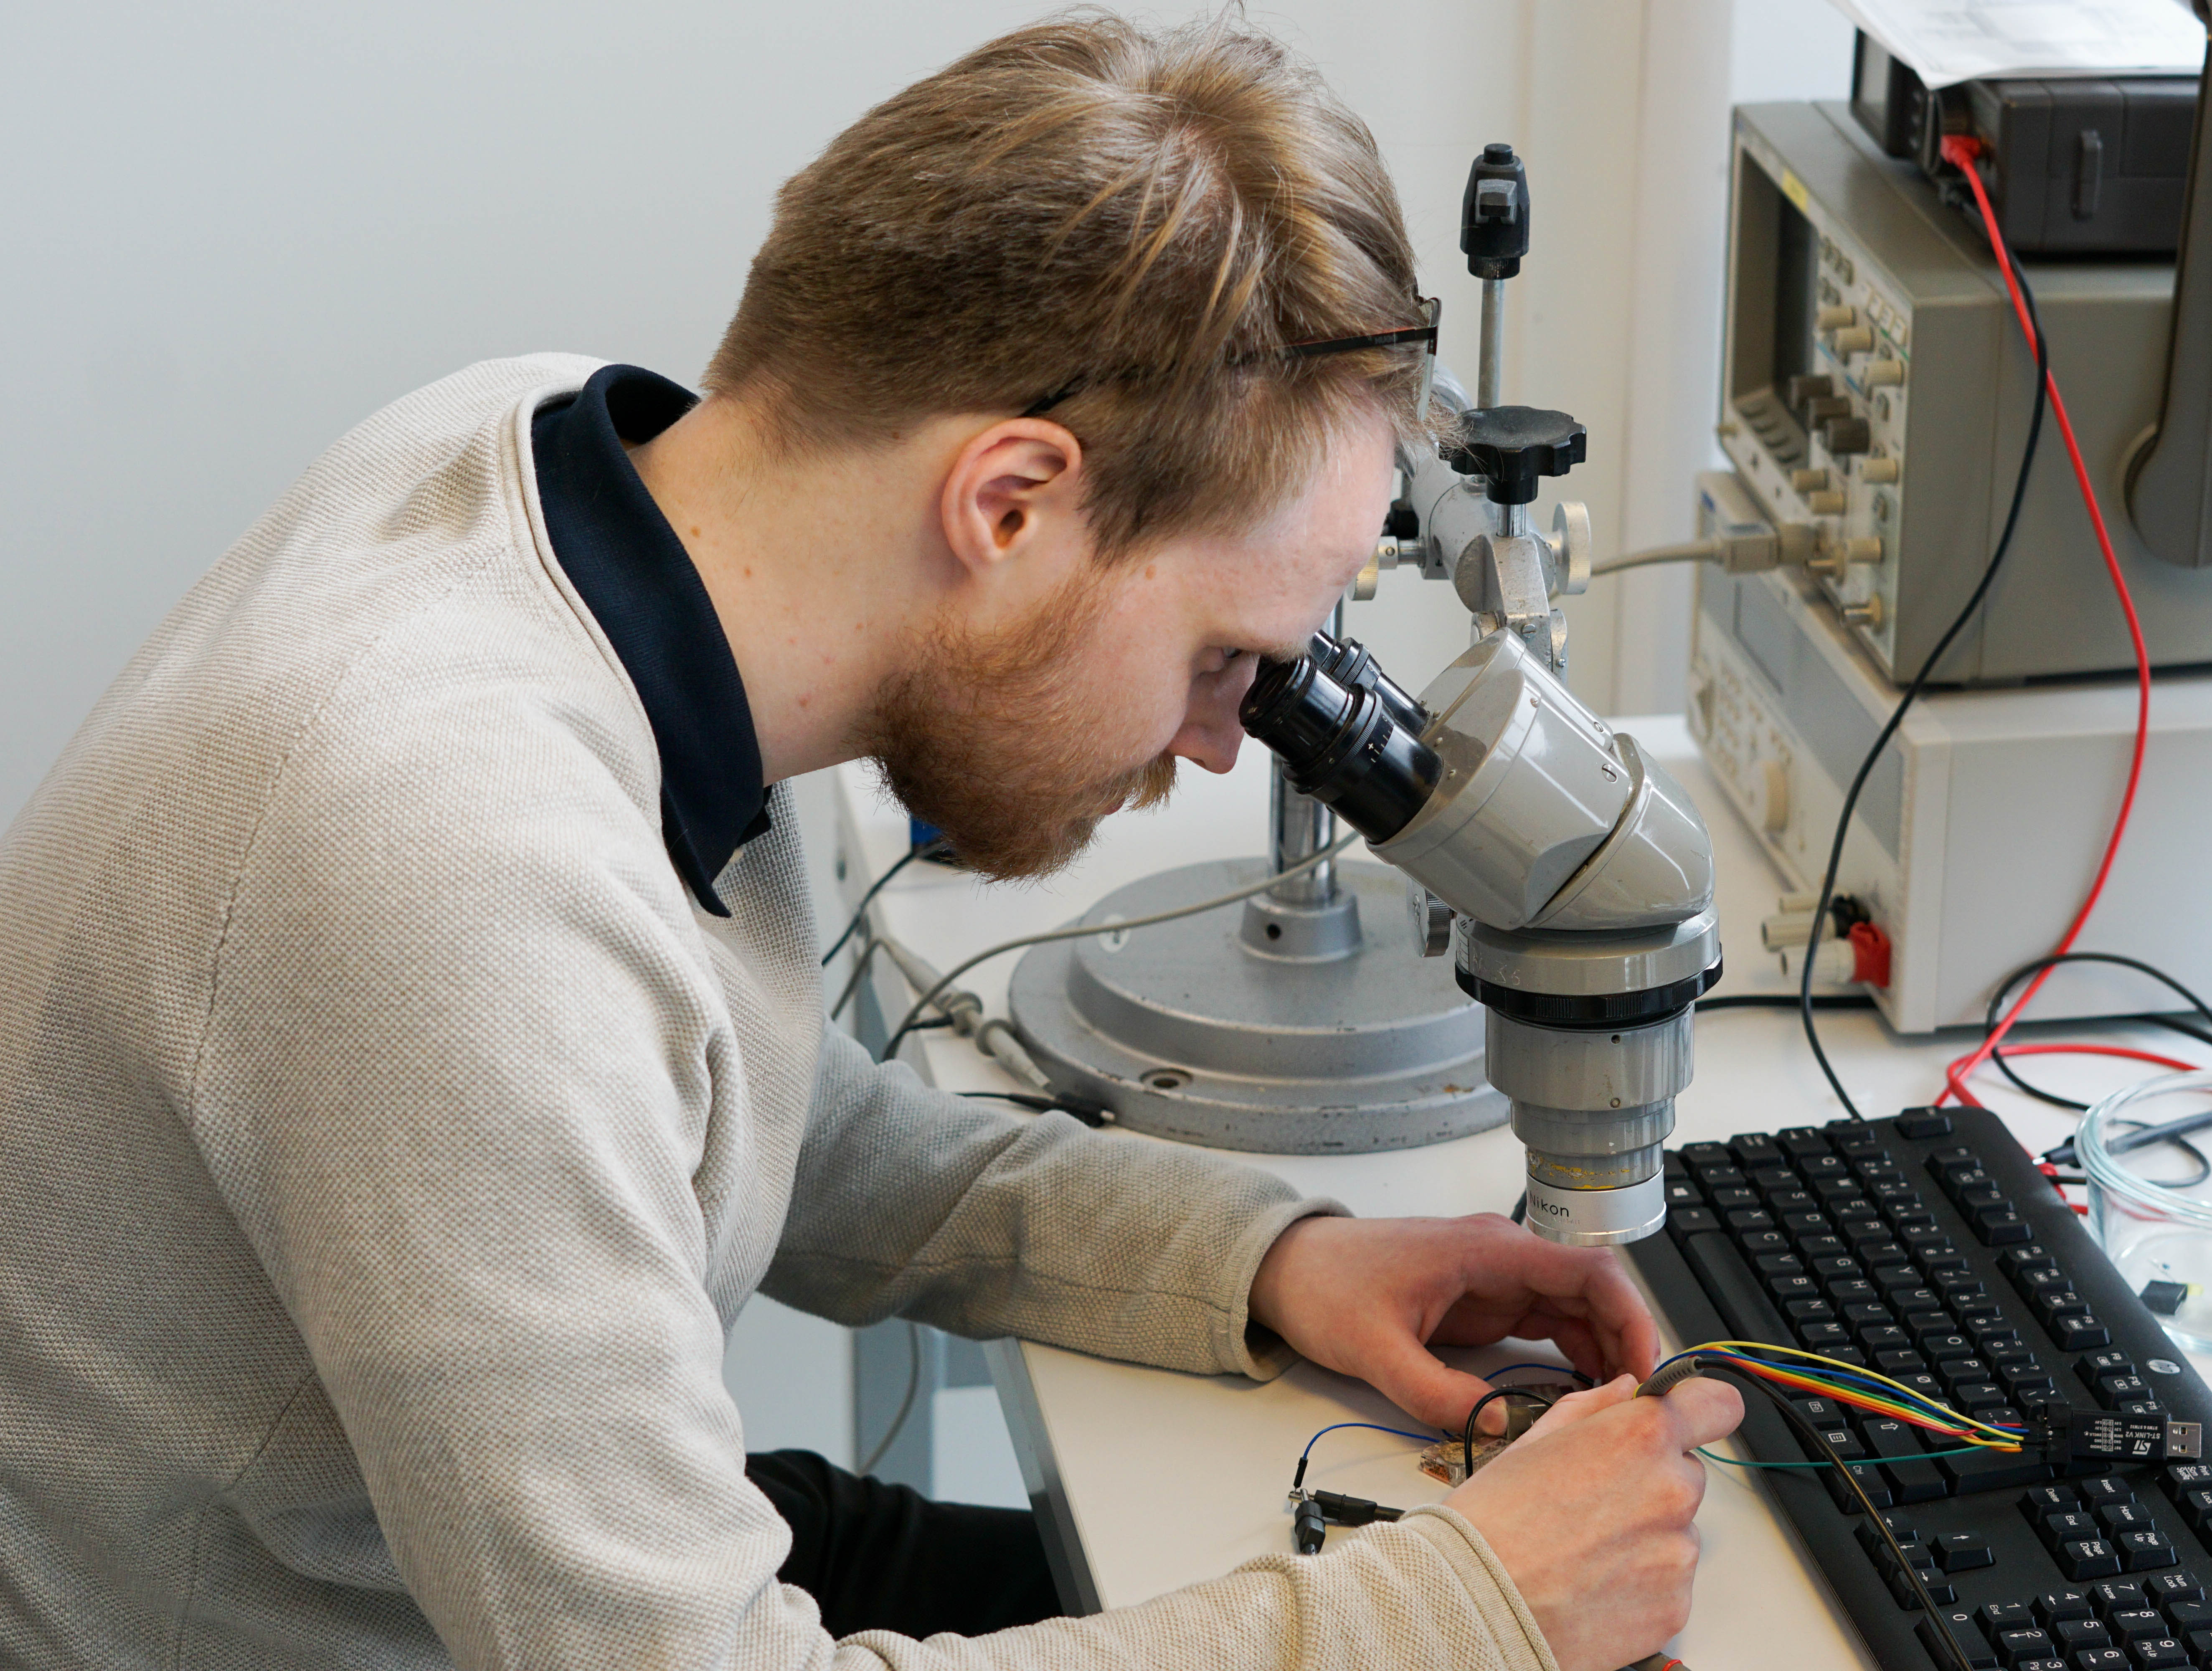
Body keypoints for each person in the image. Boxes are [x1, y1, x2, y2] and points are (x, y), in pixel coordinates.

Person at [0, 12, 1742, 1671]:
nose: (1226, 732)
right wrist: (1467, 1607)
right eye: (1227, 656)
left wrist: (1268, 1258)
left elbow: (750, 1112)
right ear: (1008, 502)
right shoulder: (452, 870)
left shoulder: (565, 475)